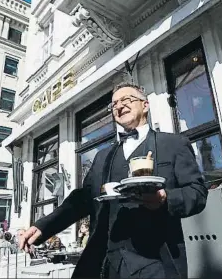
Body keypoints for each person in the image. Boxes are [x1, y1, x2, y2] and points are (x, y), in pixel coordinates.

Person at [20, 82, 208, 278]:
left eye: (126, 99)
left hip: (156, 263)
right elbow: (81, 201)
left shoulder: (173, 144)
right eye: (114, 104)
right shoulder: (103, 156)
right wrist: (43, 226)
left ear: (145, 105)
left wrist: (165, 198)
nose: (119, 106)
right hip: (104, 264)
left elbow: (197, 192)